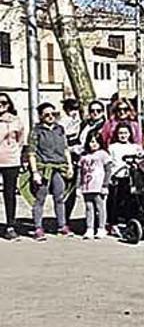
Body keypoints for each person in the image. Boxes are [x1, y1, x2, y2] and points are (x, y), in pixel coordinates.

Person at [28, 102, 74, 240]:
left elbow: (66, 149)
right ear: (41, 116)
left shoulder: (60, 129)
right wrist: (35, 172)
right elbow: (31, 152)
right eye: (46, 114)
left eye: (53, 114)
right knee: (40, 198)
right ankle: (37, 227)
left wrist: (70, 165)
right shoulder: (36, 131)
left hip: (59, 167)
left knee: (60, 197)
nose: (50, 117)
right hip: (44, 168)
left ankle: (62, 225)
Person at [107, 123, 143, 236]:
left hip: (131, 178)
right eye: (121, 133)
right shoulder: (112, 147)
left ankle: (129, 222)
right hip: (117, 176)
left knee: (130, 201)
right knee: (114, 201)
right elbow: (110, 163)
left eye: (125, 133)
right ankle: (113, 223)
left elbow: (141, 157)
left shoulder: (134, 147)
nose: (123, 135)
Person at [78, 131, 111, 240]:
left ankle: (101, 228)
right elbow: (80, 172)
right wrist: (78, 186)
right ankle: (89, 228)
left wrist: (105, 185)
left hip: (98, 185)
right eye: (91, 141)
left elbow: (108, 170)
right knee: (88, 207)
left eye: (96, 142)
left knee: (100, 206)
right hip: (87, 185)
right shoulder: (84, 156)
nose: (94, 144)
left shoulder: (103, 154)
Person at [0, 93, 24, 239]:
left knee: (9, 194)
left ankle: (10, 225)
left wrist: (17, 154)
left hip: (11, 161)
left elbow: (20, 140)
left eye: (3, 103)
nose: (0, 105)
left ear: (9, 105)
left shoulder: (16, 121)